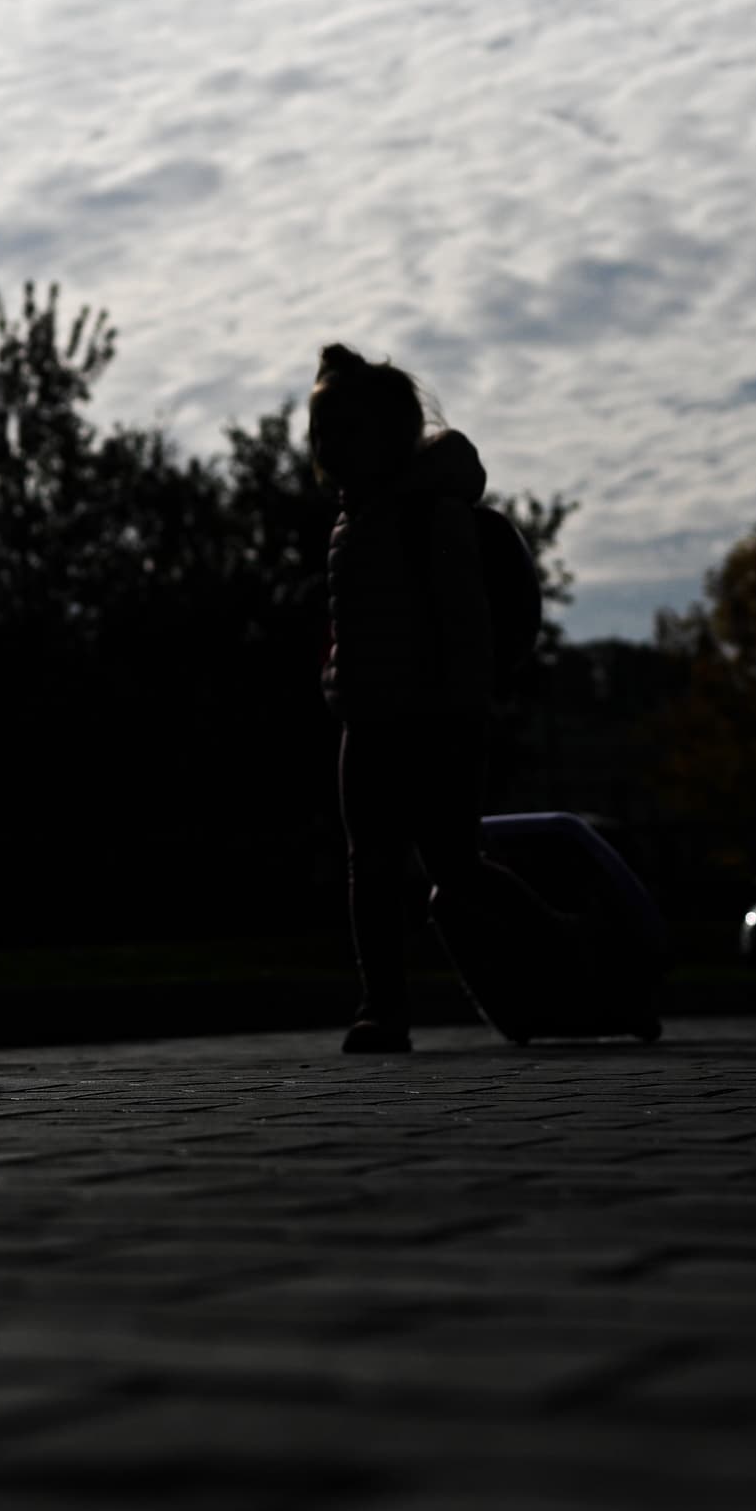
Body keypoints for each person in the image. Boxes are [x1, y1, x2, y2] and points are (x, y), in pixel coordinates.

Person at [311, 344, 492, 1055]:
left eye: (343, 431)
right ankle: (381, 1006)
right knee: (372, 868)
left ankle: (548, 963)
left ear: (391, 435)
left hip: (433, 720)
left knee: (454, 867)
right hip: (366, 720)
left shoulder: (431, 517)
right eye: (321, 433)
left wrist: (465, 714)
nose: (328, 447)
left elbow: (465, 627)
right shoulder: (352, 522)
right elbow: (354, 622)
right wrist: (338, 679)